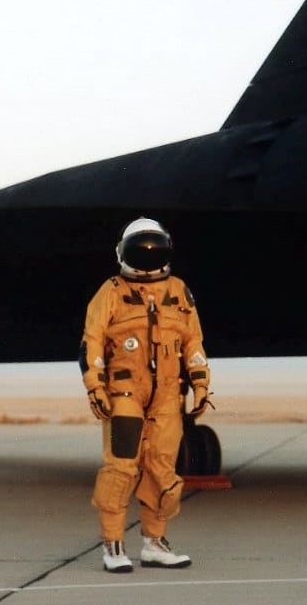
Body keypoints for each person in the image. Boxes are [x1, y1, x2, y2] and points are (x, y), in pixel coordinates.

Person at [79, 217, 212, 573]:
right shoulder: (111, 292)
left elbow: (193, 341)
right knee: (121, 468)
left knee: (162, 469)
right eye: (141, 251)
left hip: (167, 394)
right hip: (125, 392)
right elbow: (91, 342)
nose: (148, 259)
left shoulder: (178, 291)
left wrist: (200, 383)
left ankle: (154, 543)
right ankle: (113, 545)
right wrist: (96, 386)